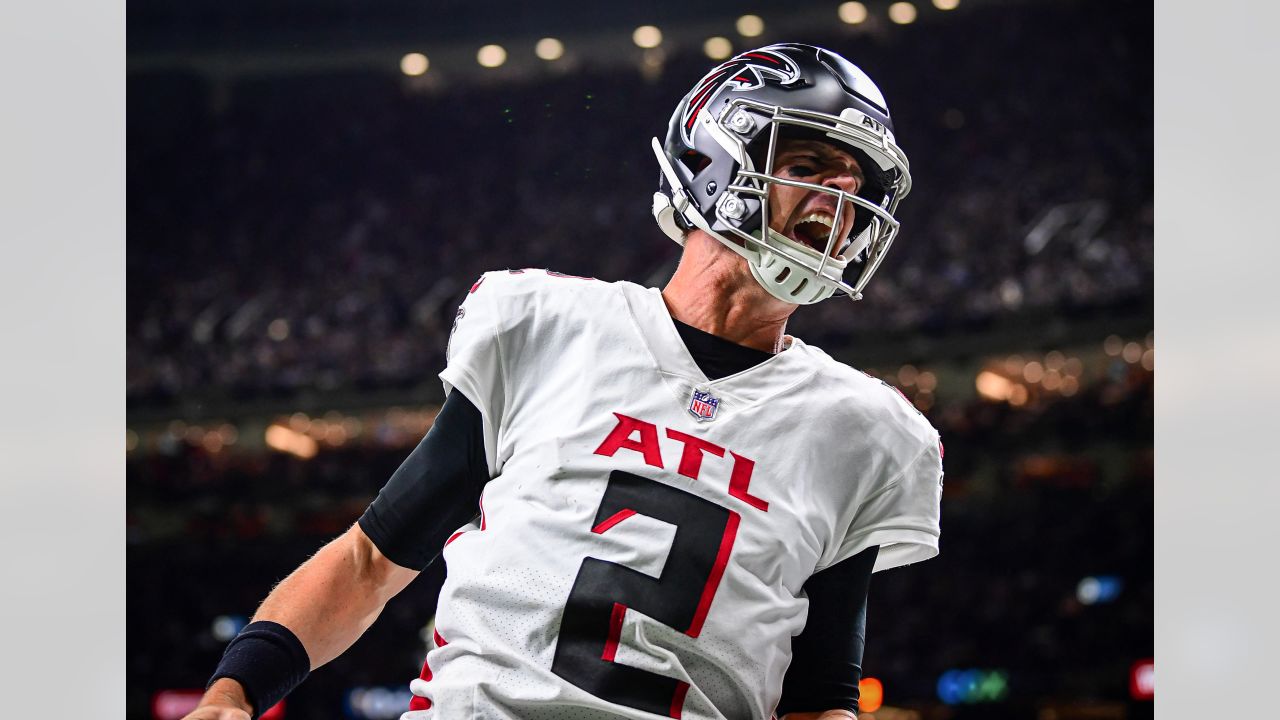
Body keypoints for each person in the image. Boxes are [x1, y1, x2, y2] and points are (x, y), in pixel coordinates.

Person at [185, 43, 942, 720]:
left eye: (853, 183)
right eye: (807, 168)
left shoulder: (864, 431)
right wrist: (234, 692)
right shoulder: (550, 327)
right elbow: (370, 561)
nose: (838, 204)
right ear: (713, 163)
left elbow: (821, 700)